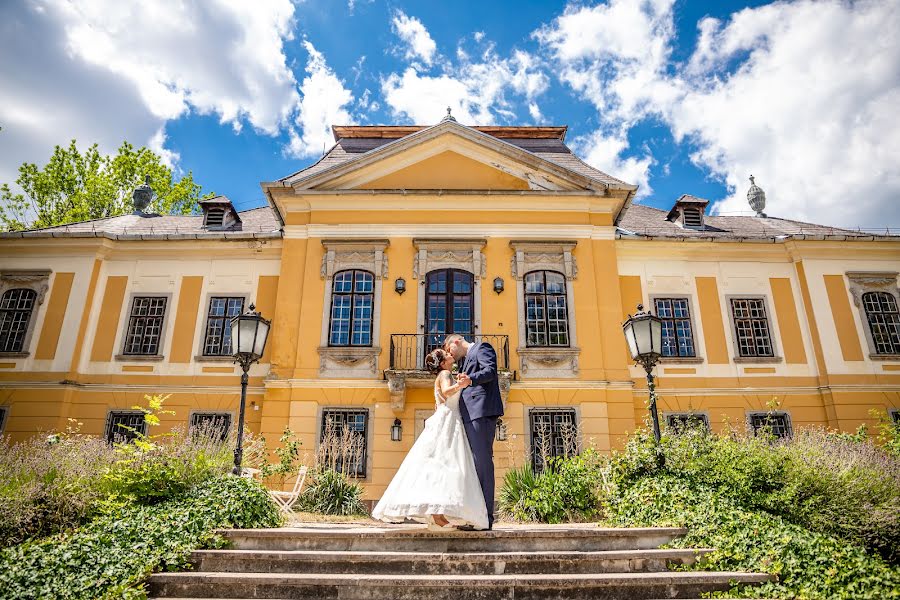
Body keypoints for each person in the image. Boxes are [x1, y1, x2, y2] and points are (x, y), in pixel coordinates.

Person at [370, 348, 489, 530]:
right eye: (447, 354)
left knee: (441, 466)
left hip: (448, 417)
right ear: (442, 362)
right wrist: (461, 385)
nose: (451, 354)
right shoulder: (445, 373)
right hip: (449, 419)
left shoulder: (445, 373)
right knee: (446, 464)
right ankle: (437, 515)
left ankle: (437, 515)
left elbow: (440, 398)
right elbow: (447, 392)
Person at [443, 334, 503, 530]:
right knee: (473, 466)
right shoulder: (464, 362)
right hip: (469, 415)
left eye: (449, 349)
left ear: (457, 341)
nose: (449, 353)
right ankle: (475, 517)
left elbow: (490, 371)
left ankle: (485, 519)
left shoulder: (482, 348)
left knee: (482, 463)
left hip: (481, 412)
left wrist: (471, 380)